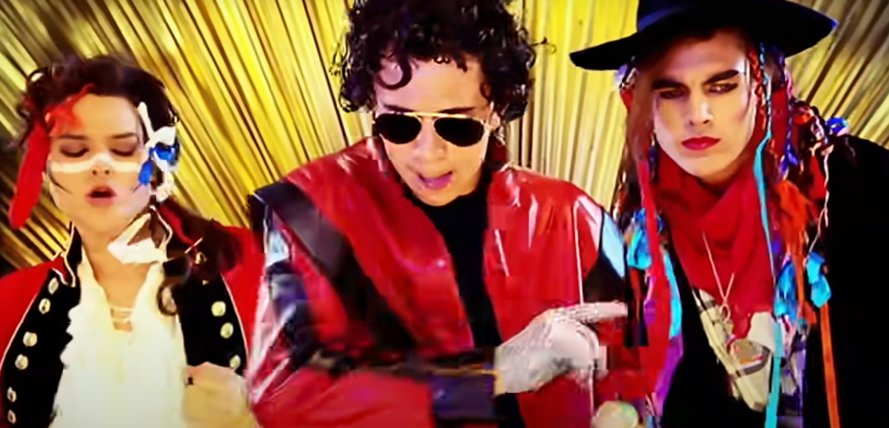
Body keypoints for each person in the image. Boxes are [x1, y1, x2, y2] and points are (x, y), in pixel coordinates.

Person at [245, 1, 651, 427]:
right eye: (399, 124)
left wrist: (622, 409)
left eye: (457, 125)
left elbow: (630, 365)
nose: (428, 154)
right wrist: (492, 372)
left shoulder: (574, 217)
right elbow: (285, 395)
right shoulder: (310, 216)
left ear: (497, 108)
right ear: (372, 104)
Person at [570, 0, 889, 427]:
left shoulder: (861, 184)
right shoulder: (641, 239)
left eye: (721, 86)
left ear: (764, 82)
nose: (697, 115)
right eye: (670, 92)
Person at [0, 56, 264, 428]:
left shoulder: (253, 267)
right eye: (75, 151)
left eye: (123, 148)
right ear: (46, 169)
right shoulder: (9, 306)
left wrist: (244, 423)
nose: (100, 165)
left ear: (158, 164)